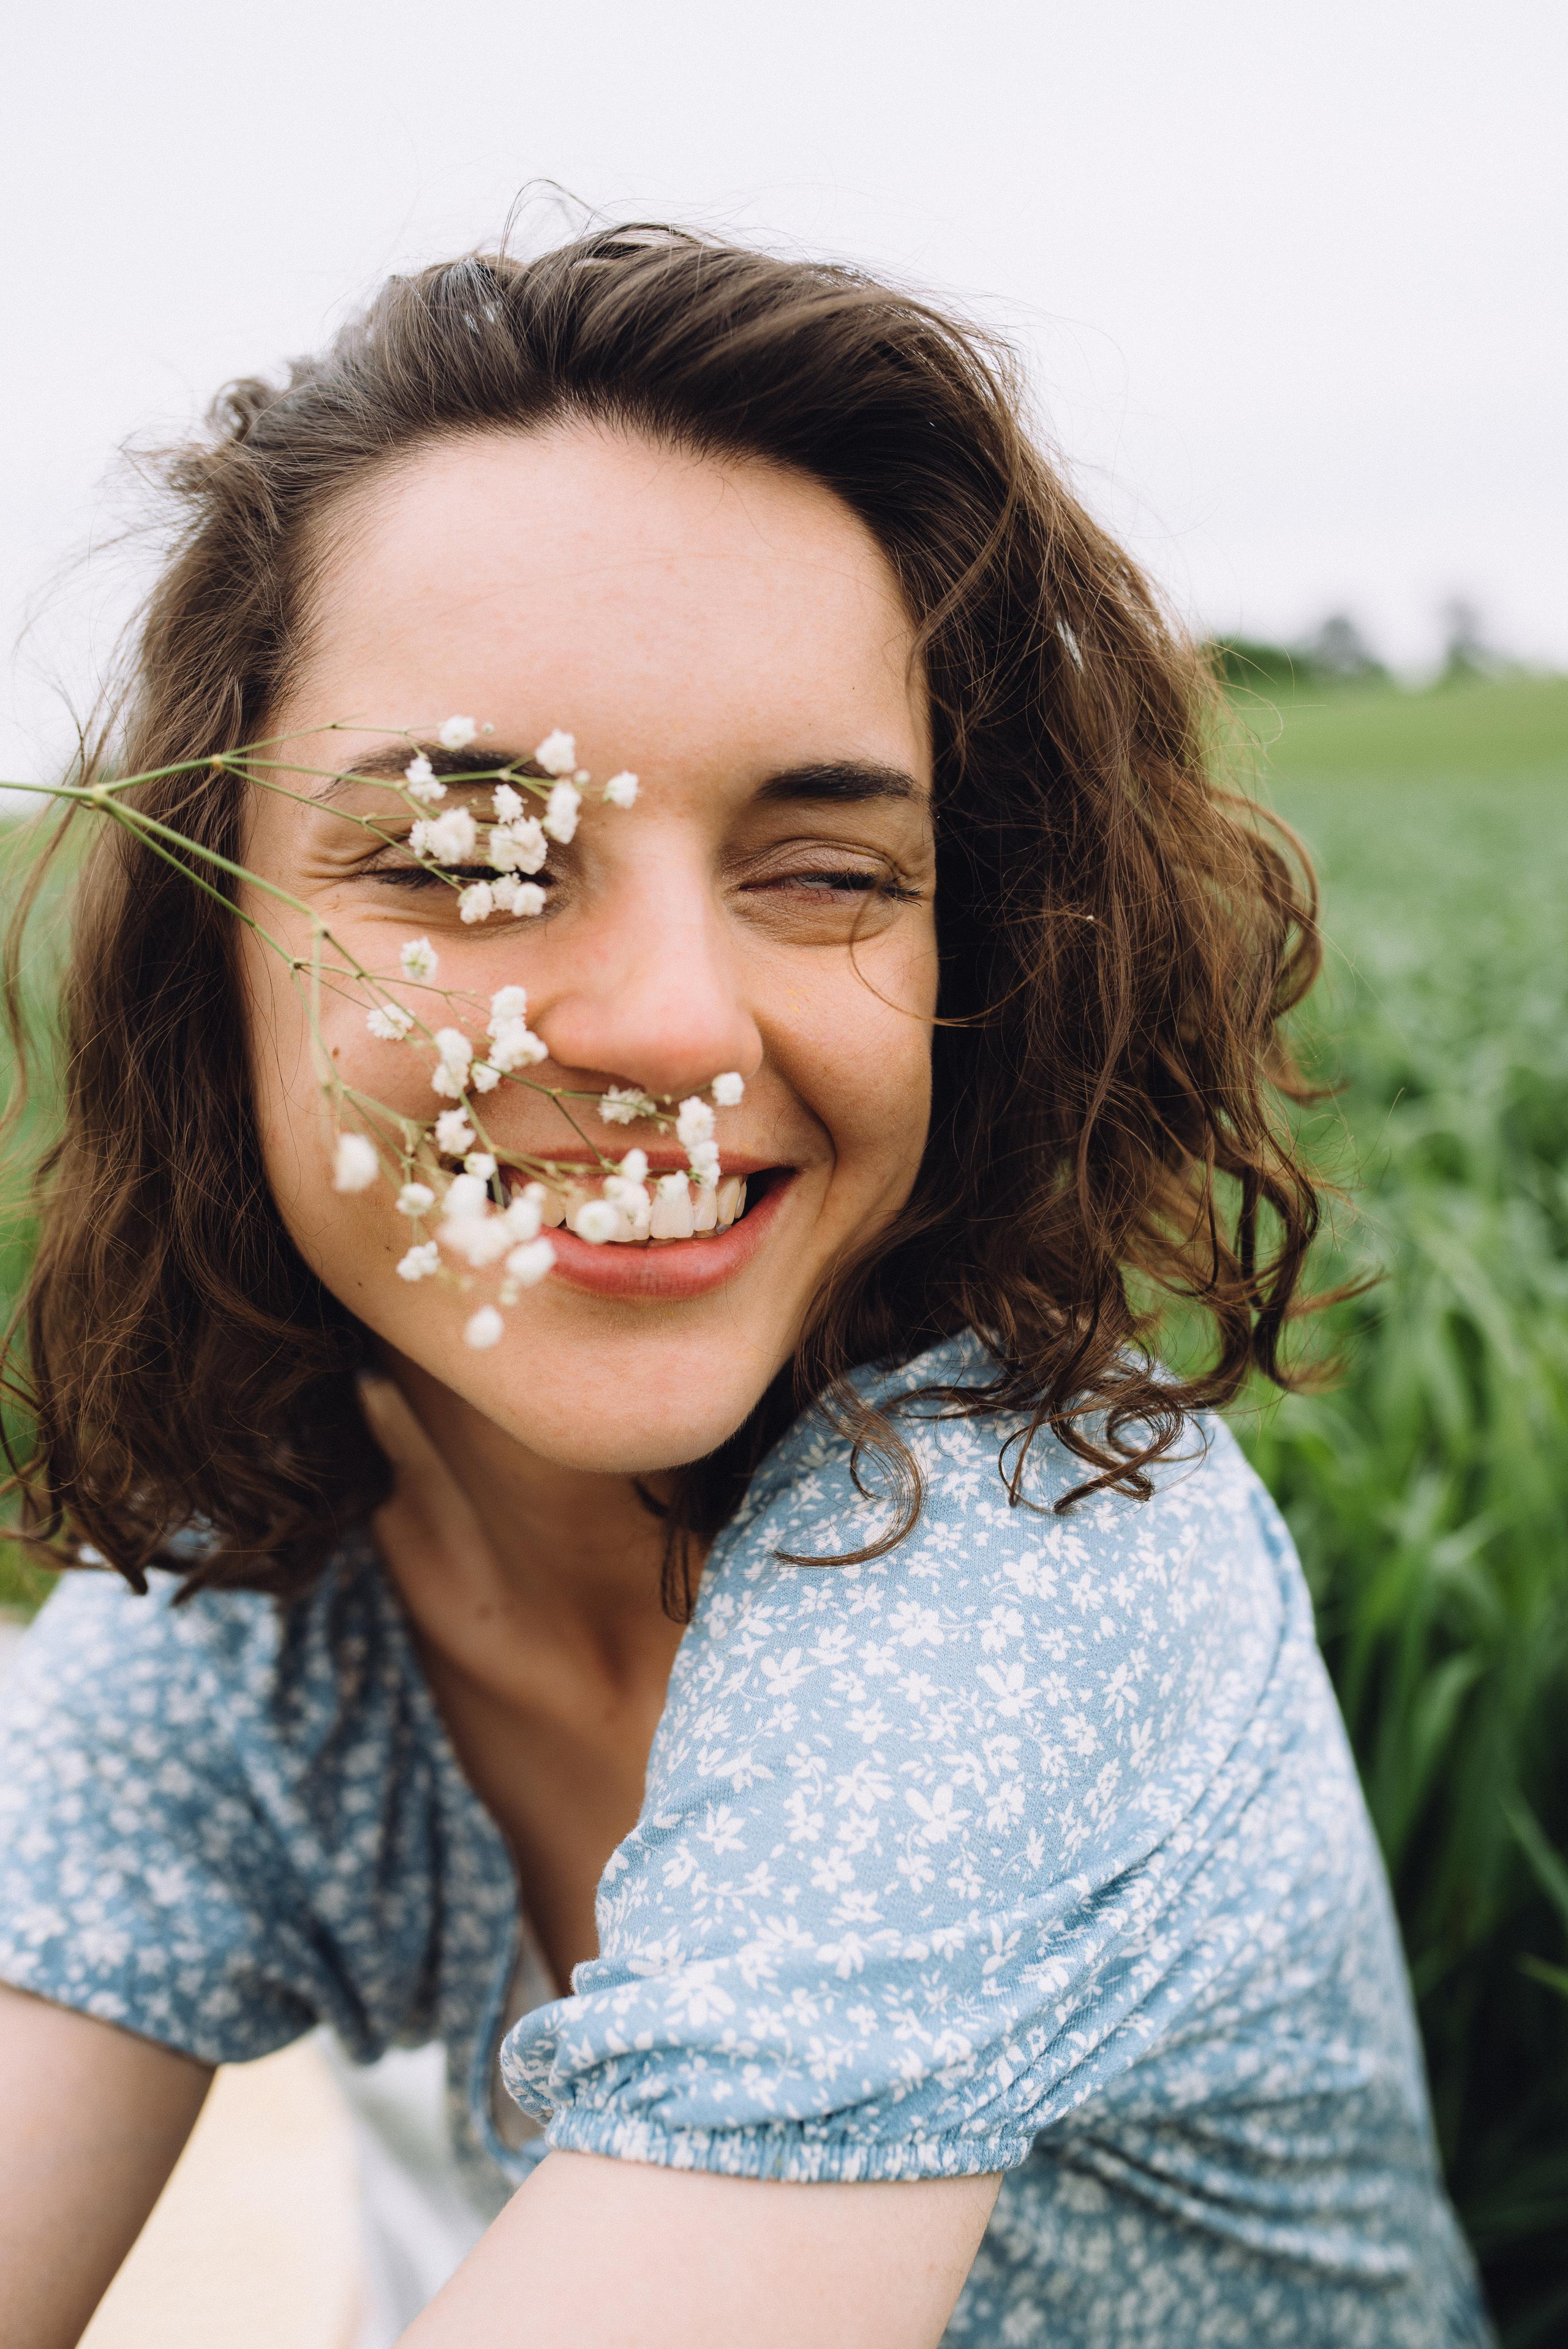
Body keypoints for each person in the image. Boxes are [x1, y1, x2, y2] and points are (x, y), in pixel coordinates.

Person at [0, 227, 1490, 2348]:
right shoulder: (266, 1590)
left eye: (825, 872)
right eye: (467, 860)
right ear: (211, 949)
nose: (675, 1023)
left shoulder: (1027, 1565)